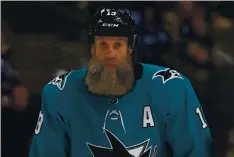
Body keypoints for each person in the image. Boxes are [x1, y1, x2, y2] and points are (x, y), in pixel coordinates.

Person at [29, 7, 212, 157]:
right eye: (103, 45)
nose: (110, 54)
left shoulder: (171, 87)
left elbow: (195, 151)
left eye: (118, 45)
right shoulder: (60, 92)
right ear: (91, 49)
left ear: (131, 48)